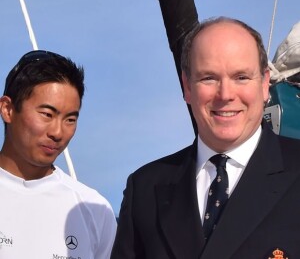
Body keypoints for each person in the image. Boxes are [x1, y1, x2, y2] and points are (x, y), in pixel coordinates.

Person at [111, 17, 300, 259]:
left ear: (264, 84)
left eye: (241, 77)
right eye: (208, 78)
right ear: (187, 87)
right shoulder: (145, 189)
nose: (226, 94)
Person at [0, 50, 116, 258]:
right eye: (47, 114)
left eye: (70, 119)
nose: (58, 132)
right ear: (7, 109)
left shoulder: (95, 210)